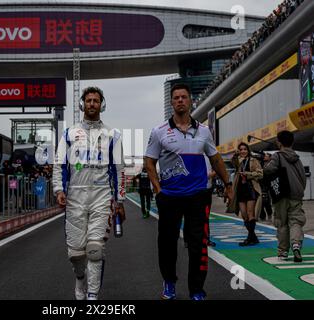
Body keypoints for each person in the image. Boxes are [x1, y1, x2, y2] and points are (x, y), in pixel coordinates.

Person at [144, 83, 233, 301]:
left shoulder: (204, 131)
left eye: (184, 97)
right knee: (167, 244)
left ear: (190, 100)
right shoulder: (159, 131)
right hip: (170, 197)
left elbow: (215, 158)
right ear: (172, 102)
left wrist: (228, 184)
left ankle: (196, 289)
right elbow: (149, 162)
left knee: (198, 245)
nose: (180, 100)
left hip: (198, 196)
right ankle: (169, 283)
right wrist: (158, 190)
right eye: (176, 98)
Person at [53, 86, 126, 300]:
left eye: (96, 100)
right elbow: (59, 164)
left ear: (102, 104)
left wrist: (119, 200)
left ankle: (92, 296)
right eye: (88, 100)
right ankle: (79, 279)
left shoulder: (113, 135)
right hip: (75, 197)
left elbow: (120, 169)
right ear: (82, 104)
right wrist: (59, 189)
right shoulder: (69, 133)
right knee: (76, 254)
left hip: (102, 196)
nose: (92, 104)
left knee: (95, 249)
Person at [263, 130, 306, 262]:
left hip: (281, 194)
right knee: (296, 221)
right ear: (292, 142)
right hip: (296, 194)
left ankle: (283, 252)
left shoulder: (277, 156)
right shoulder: (297, 158)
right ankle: (296, 244)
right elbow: (303, 177)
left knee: (282, 223)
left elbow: (268, 170)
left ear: (279, 142)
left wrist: (267, 162)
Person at [230, 142, 263, 246]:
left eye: (245, 149)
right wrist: (235, 155)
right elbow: (233, 162)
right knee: (244, 215)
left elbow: (260, 174)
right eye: (241, 149)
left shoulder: (254, 160)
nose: (243, 151)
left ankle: (249, 238)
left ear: (248, 150)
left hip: (250, 188)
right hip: (240, 189)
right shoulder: (238, 161)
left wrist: (248, 174)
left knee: (250, 213)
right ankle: (253, 237)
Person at [260, 153, 273, 221]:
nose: (264, 157)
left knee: (267, 202)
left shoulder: (271, 165)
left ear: (270, 157)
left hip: (268, 186)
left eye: (266, 156)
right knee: (260, 202)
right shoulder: (261, 164)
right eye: (264, 156)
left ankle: (269, 215)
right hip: (261, 185)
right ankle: (262, 216)